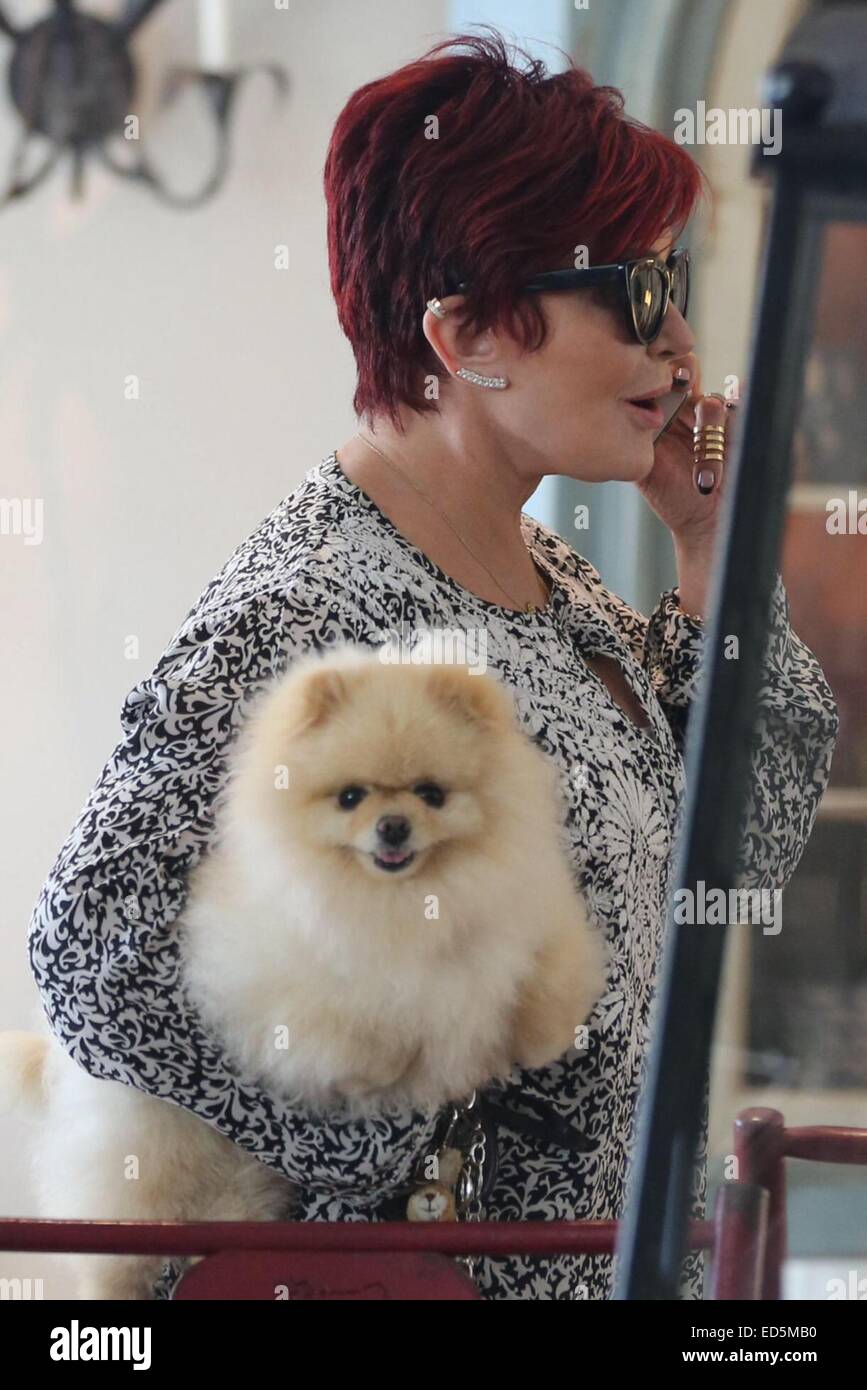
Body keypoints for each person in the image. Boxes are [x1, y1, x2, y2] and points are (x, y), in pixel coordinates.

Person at [27, 30, 839, 1301]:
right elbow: (91, 945)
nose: (678, 339)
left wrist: (709, 559)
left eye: (674, 285)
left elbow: (735, 858)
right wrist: (411, 1185)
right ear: (467, 334)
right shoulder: (312, 615)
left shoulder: (545, 576)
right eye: (634, 292)